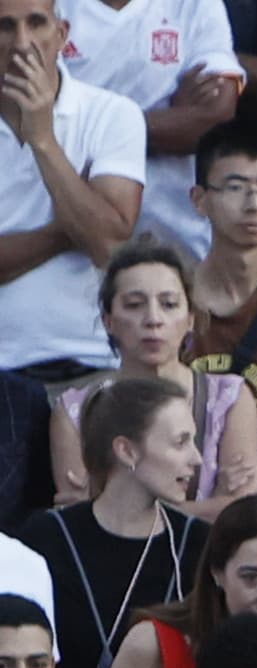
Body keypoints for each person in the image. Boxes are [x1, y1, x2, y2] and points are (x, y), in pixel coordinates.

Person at [46, 239, 257, 514]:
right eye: (134, 305)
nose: (153, 319)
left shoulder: (230, 397)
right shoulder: (75, 411)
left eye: (169, 304)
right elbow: (80, 524)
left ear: (191, 318)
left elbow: (245, 513)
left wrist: (122, 510)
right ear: (107, 321)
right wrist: (209, 507)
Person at [0, 0, 143, 389]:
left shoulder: (115, 114)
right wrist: (68, 227)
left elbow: (109, 246)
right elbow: (104, 233)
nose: (22, 43)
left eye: (36, 23)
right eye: (5, 27)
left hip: (94, 361)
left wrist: (43, 141)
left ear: (61, 34)